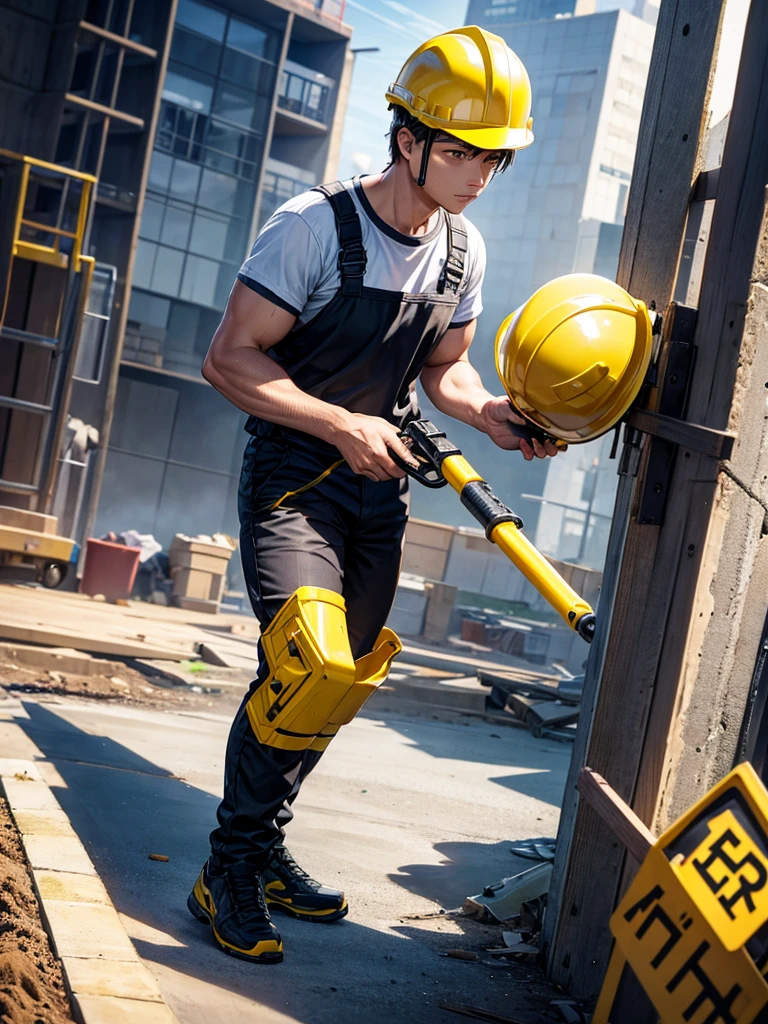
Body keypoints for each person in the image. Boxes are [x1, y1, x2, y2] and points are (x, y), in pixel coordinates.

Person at [187, 25, 557, 965]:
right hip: (293, 482)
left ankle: (264, 846)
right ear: (410, 141)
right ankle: (226, 868)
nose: (482, 173)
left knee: (340, 683)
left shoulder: (461, 252)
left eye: (496, 157)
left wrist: (494, 415)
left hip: (376, 500)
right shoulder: (312, 225)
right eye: (467, 150)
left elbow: (447, 372)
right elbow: (230, 359)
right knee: (304, 665)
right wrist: (342, 424)